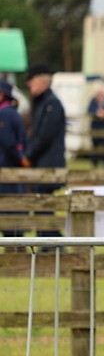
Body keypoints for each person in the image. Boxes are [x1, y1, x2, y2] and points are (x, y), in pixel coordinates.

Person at [23, 64, 65, 237]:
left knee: (43, 209)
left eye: (31, 81)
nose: (29, 85)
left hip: (47, 165)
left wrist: (28, 156)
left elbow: (43, 137)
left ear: (42, 81)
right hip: (42, 164)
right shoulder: (43, 103)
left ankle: (54, 247)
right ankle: (50, 249)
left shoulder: (51, 105)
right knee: (42, 208)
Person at [0, 80, 28, 239]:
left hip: (6, 167)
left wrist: (20, 159)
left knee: (7, 209)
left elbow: (8, 142)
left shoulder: (4, 114)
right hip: (11, 166)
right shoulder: (12, 112)